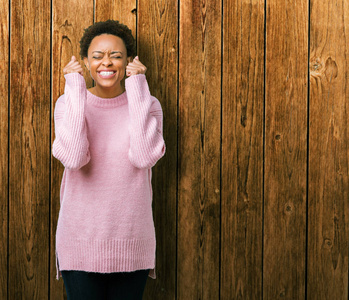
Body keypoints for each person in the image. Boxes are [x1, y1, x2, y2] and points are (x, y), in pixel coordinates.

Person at [52, 19, 166, 300]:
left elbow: (143, 157)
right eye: (97, 56)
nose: (107, 63)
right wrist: (75, 89)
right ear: (84, 62)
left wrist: (138, 86)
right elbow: (74, 157)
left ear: (128, 61)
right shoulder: (67, 103)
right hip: (79, 244)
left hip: (132, 243)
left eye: (116, 56)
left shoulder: (148, 104)